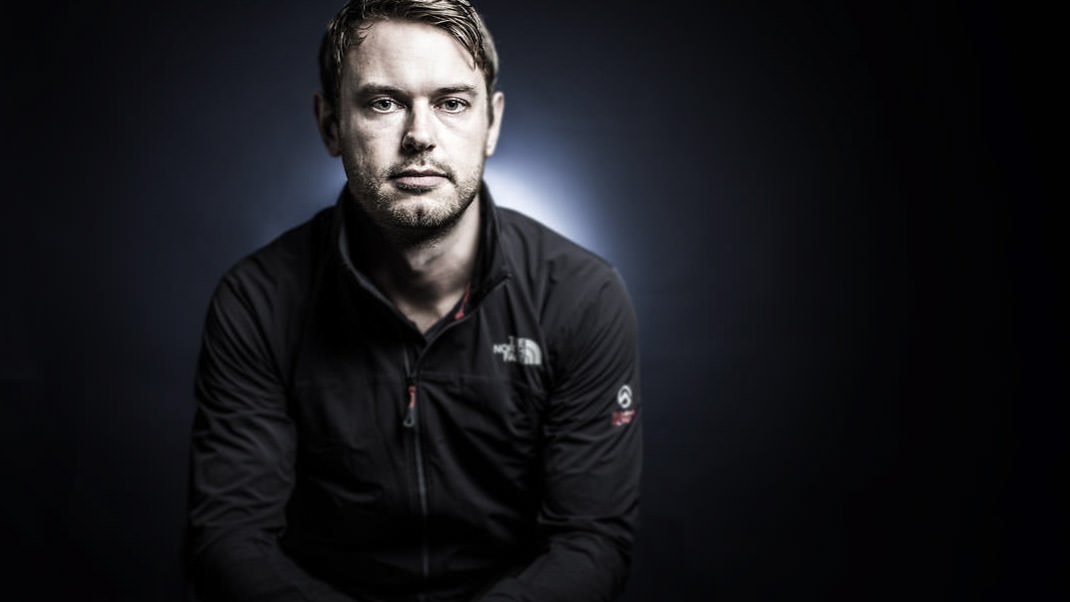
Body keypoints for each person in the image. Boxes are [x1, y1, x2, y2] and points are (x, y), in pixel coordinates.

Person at [186, 1, 642, 600]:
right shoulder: (257, 302)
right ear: (330, 124)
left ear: (492, 124)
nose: (420, 136)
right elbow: (231, 538)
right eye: (383, 102)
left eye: (452, 103)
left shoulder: (581, 297)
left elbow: (590, 541)